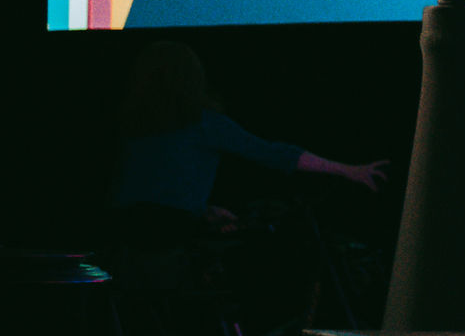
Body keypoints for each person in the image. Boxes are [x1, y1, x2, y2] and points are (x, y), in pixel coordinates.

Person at [108, 41, 386, 244]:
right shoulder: (204, 123)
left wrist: (201, 211)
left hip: (123, 239)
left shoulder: (130, 126)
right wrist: (348, 170)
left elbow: (149, 194)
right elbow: (273, 154)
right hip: (170, 246)